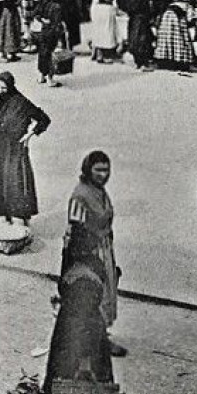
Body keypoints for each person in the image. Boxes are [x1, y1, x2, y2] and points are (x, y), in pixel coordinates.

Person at [43, 223, 117, 394]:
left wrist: (84, 362)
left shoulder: (81, 278)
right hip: (80, 331)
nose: (64, 240)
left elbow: (83, 321)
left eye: (68, 238)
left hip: (73, 340)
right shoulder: (86, 266)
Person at [68, 151, 126, 356]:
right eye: (98, 170)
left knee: (107, 293)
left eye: (106, 169)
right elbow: (76, 230)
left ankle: (101, 335)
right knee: (94, 295)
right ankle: (95, 341)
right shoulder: (80, 195)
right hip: (89, 253)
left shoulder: (100, 191)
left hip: (105, 249)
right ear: (88, 170)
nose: (104, 174)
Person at [0, 71, 51, 224]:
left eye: (4, 88)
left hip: (14, 149)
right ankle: (2, 215)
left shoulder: (21, 102)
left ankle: (19, 216)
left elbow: (43, 119)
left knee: (15, 183)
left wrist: (29, 135)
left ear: (11, 87)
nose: (0, 91)